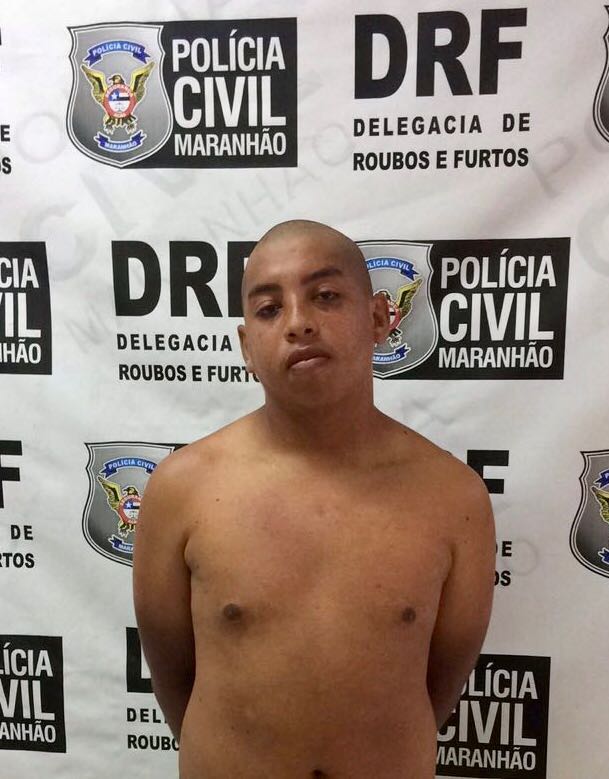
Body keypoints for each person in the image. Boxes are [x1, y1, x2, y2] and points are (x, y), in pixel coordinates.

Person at [132, 219, 496, 779]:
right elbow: (172, 676)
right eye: (269, 309)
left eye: (325, 296)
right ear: (246, 347)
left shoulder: (454, 496)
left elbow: (440, 685)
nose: (298, 323)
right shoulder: (182, 488)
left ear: (379, 318)